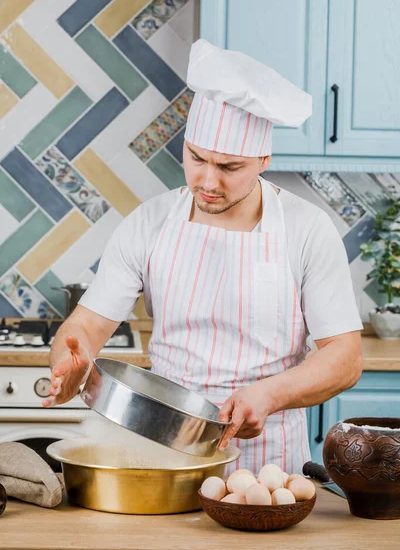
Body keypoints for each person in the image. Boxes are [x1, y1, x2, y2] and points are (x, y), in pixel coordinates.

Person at [43, 39, 363, 475]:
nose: (208, 181)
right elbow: (86, 327)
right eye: (196, 158)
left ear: (263, 159)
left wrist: (269, 394)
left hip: (266, 467)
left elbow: (344, 357)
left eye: (229, 167)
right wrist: (68, 363)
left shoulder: (307, 229)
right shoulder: (149, 222)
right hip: (157, 454)